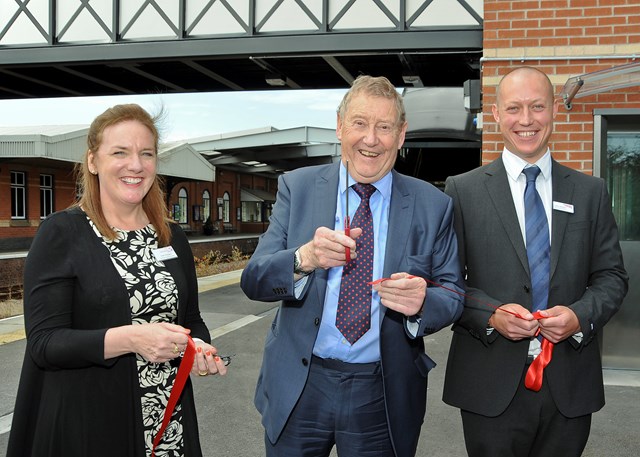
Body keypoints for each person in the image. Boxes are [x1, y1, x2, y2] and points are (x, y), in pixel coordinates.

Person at [240, 75, 464, 457]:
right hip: (300, 383)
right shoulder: (298, 187)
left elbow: (453, 291)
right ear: (340, 126)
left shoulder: (433, 204)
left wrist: (423, 302)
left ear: (402, 133)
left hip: (381, 391)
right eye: (360, 123)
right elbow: (254, 279)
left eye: (384, 127)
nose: (371, 139)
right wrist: (303, 259)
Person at [7, 104, 229, 457]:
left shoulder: (170, 236)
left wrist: (198, 347)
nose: (136, 165)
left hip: (166, 421)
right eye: (120, 152)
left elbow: (191, 321)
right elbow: (45, 344)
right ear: (93, 161)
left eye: (146, 153)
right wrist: (132, 339)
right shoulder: (62, 233)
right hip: (90, 424)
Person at [442, 66, 629, 457]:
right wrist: (491, 314)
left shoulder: (591, 192)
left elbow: (612, 277)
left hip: (569, 388)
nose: (525, 120)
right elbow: (445, 282)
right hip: (488, 386)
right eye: (513, 108)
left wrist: (579, 316)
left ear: (555, 111)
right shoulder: (463, 190)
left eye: (537, 107)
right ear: (495, 114)